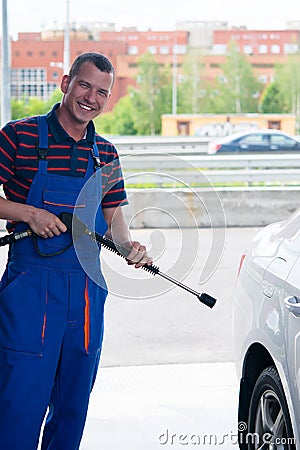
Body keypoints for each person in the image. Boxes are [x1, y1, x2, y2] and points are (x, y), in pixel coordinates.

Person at [0, 52, 151, 450]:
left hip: (86, 292)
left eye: (102, 92)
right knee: (19, 403)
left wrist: (130, 247)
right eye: (85, 85)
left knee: (72, 405)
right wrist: (28, 213)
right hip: (30, 289)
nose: (91, 97)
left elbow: (114, 220)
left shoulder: (107, 155)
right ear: (66, 83)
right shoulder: (19, 136)